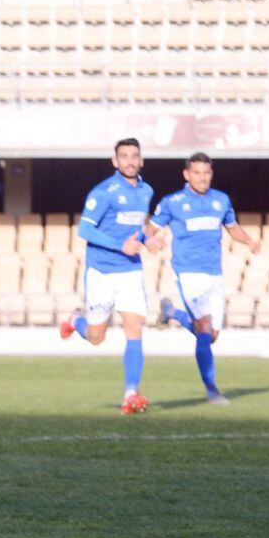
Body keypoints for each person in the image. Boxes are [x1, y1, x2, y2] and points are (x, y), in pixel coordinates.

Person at [59, 138, 163, 415]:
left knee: (135, 329)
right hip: (101, 272)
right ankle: (75, 320)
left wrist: (147, 239)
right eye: (124, 156)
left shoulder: (146, 191)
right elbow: (85, 230)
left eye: (135, 156)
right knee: (96, 338)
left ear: (141, 161)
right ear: (115, 162)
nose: (130, 161)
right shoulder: (103, 191)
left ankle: (131, 394)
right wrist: (121, 246)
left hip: (130, 270)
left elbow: (135, 228)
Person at [148, 152, 260, 405]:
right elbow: (151, 228)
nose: (202, 177)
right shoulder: (172, 202)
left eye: (206, 172)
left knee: (211, 335)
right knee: (205, 329)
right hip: (188, 272)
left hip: (214, 273)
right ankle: (212, 391)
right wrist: (152, 240)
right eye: (196, 172)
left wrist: (249, 240)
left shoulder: (221, 200)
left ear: (211, 174)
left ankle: (173, 313)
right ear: (187, 175)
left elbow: (232, 228)